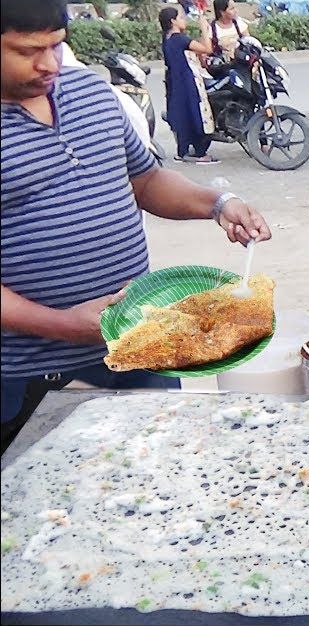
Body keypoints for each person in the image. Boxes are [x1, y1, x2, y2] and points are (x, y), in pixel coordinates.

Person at [1, 0, 271, 452]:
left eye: (56, 46)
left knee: (153, 480)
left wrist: (217, 202)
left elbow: (145, 181)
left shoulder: (92, 92)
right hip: (30, 375)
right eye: (27, 50)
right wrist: (62, 323)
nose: (49, 64)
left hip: (141, 347)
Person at [159, 5, 218, 164]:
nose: (184, 20)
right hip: (186, 80)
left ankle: (183, 151)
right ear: (173, 21)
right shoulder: (180, 39)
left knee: (182, 114)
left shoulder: (167, 38)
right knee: (195, 113)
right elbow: (207, 49)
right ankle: (199, 153)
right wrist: (204, 27)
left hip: (175, 81)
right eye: (181, 18)